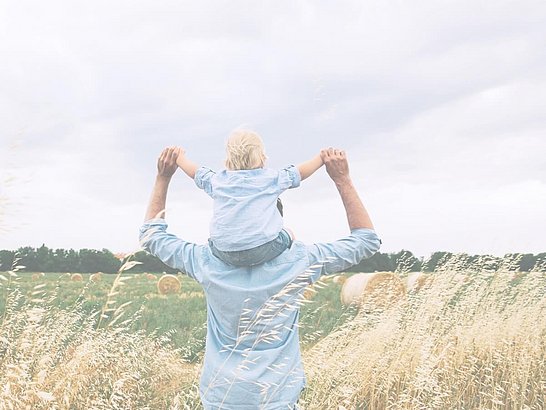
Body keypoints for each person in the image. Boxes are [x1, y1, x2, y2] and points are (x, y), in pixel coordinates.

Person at [140, 146, 380, 410]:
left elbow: (152, 237)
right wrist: (342, 178)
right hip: (277, 397)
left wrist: (163, 177)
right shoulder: (299, 261)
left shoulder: (205, 261)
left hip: (221, 397)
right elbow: (365, 241)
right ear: (275, 221)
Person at [175, 129, 324, 266]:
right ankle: (290, 268)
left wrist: (179, 158)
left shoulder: (218, 181)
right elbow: (299, 173)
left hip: (222, 250)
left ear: (228, 157)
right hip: (262, 248)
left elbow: (196, 173)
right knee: (289, 233)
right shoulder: (271, 178)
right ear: (262, 157)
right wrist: (321, 158)